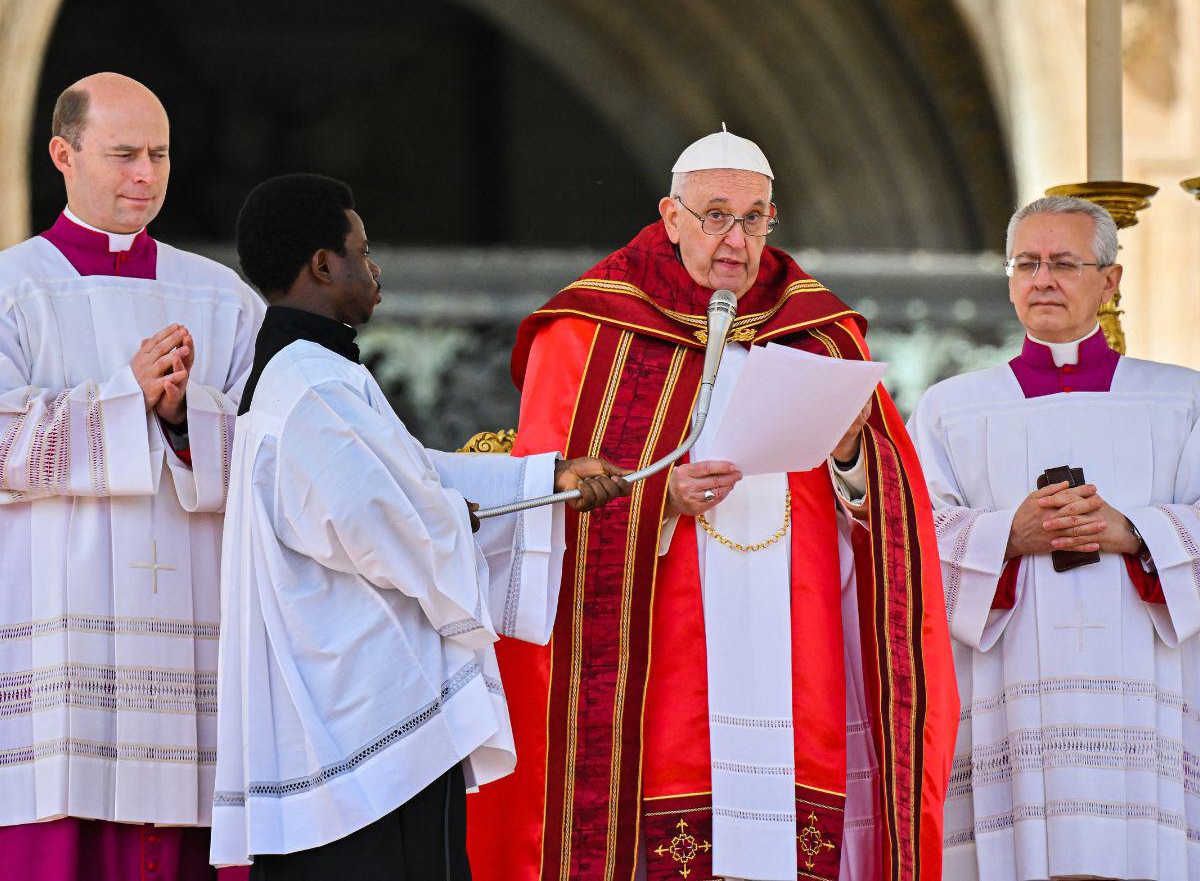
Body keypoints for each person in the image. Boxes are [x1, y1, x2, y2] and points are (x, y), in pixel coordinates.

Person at [466, 128, 959, 880]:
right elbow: (541, 506)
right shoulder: (589, 332)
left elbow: (894, 512)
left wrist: (855, 455)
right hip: (663, 653)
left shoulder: (822, 333)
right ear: (670, 216)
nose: (736, 237)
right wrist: (660, 500)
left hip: (798, 642)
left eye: (755, 218)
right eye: (715, 215)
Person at [209, 173, 629, 878]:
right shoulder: (309, 387)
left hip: (359, 724)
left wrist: (543, 478)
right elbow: (380, 521)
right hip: (364, 733)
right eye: (361, 251)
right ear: (321, 265)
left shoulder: (312, 373)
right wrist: (451, 522)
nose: (373, 270)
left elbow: (409, 475)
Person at [0, 73, 263, 880]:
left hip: (190, 643)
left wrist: (185, 421)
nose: (144, 175)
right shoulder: (13, 289)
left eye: (158, 155)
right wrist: (126, 398)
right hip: (60, 635)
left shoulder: (221, 298)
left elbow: (267, 453)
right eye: (122, 155)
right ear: (63, 155)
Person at [909, 195, 1200, 880]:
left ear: (1111, 281)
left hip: (1144, 683)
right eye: (1027, 263)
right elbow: (913, 535)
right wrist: (1005, 537)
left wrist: (1137, 533)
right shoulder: (952, 408)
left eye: (1065, 263)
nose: (1043, 279)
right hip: (1010, 687)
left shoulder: (1180, 401)